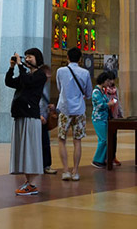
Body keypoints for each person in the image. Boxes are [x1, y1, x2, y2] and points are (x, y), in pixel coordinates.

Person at [5, 48, 47, 196]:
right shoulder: (26, 75)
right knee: (24, 150)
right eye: (26, 56)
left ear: (37, 59)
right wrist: (11, 67)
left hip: (30, 116)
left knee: (31, 150)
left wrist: (20, 65)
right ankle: (28, 182)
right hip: (20, 114)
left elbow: (28, 82)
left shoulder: (40, 75)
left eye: (30, 57)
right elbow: (9, 82)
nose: (27, 59)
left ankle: (33, 184)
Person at [55, 46, 93, 181]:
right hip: (79, 110)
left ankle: (65, 170)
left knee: (62, 139)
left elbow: (59, 88)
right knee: (77, 141)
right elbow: (88, 93)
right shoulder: (85, 73)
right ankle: (75, 171)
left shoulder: (60, 71)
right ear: (80, 59)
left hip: (65, 108)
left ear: (67, 57)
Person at [91, 71, 113, 168]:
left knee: (104, 139)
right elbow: (100, 105)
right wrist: (109, 104)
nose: (108, 83)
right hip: (98, 118)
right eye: (107, 81)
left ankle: (102, 159)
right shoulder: (96, 92)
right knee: (103, 139)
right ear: (103, 81)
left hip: (104, 118)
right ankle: (97, 160)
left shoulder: (102, 91)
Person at [38, 64, 56, 174]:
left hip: (44, 118)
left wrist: (50, 107)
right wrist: (38, 115)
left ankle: (46, 165)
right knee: (39, 143)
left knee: (45, 143)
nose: (48, 79)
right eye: (47, 76)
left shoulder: (44, 87)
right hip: (37, 119)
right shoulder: (35, 86)